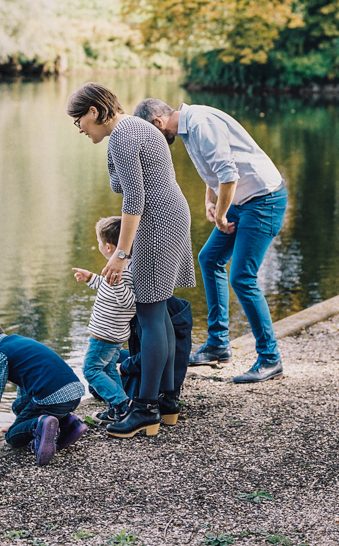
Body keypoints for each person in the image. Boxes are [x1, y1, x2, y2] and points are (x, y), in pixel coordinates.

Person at [67, 82, 195, 439]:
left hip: (156, 220)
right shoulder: (136, 127)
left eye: (79, 121)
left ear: (94, 111)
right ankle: (167, 403)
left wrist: (121, 254)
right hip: (171, 213)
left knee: (151, 313)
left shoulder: (123, 135)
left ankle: (145, 410)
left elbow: (134, 199)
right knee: (159, 313)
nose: (79, 129)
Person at [134, 99, 287, 383]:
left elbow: (229, 174)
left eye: (151, 135)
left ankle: (270, 358)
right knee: (210, 258)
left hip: (263, 200)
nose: (153, 142)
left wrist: (220, 214)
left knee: (242, 278)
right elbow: (215, 170)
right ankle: (218, 344)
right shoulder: (189, 127)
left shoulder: (201, 124)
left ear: (158, 122)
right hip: (243, 200)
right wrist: (210, 199)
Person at [0, 313, 87, 466]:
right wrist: (19, 422)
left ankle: (40, 424)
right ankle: (70, 424)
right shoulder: (18, 341)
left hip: (51, 398)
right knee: (17, 405)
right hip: (73, 393)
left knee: (12, 437)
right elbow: (24, 384)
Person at [73, 215, 136, 424]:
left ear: (109, 247)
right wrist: (91, 278)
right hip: (110, 335)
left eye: (98, 242)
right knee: (108, 370)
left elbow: (130, 302)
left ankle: (121, 404)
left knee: (90, 370)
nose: (97, 245)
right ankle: (116, 408)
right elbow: (106, 286)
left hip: (106, 336)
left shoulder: (123, 272)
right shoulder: (117, 269)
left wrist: (115, 282)